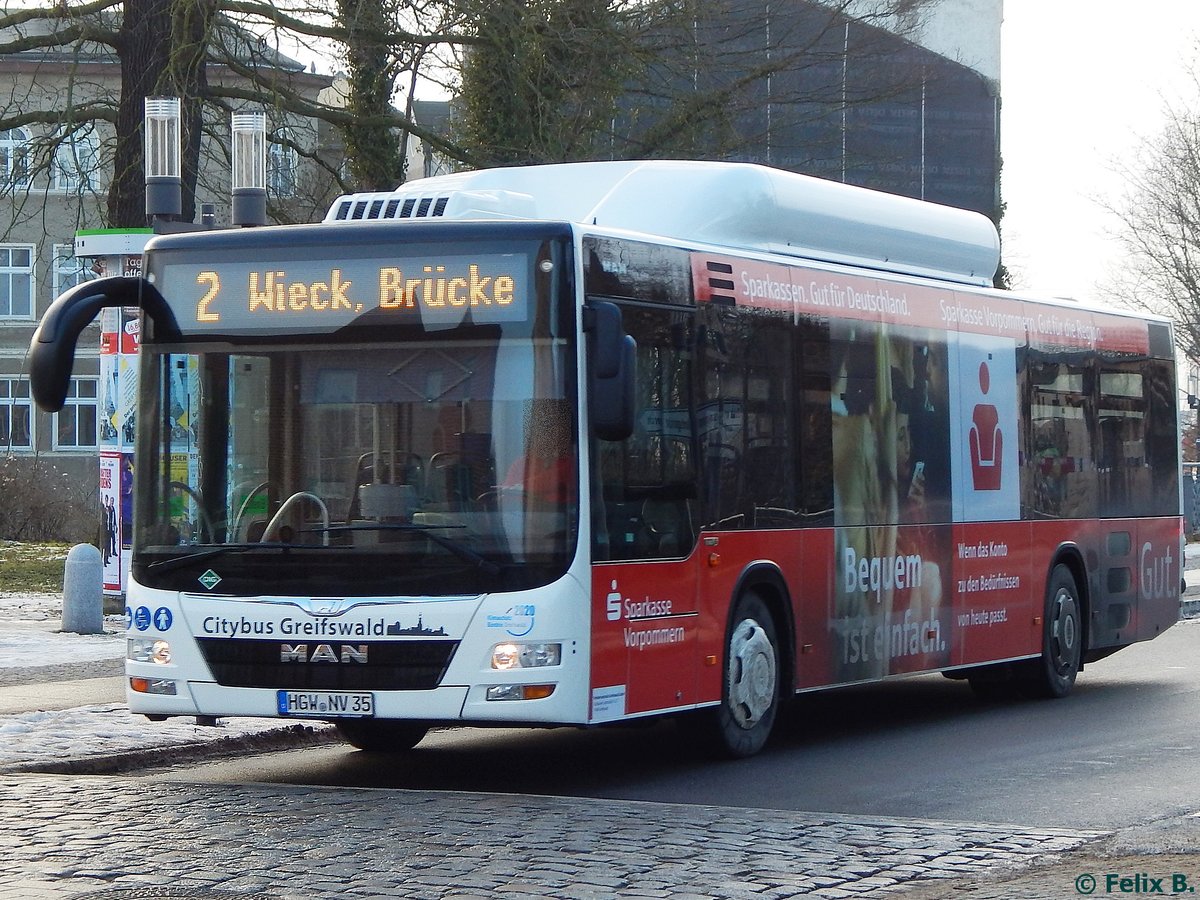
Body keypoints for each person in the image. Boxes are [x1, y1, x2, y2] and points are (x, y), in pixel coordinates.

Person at [502, 400, 576, 506]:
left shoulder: (574, 463)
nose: (546, 433)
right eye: (540, 426)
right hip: (520, 518)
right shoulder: (521, 463)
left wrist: (520, 488)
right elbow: (506, 496)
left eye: (552, 426)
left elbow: (550, 479)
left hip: (564, 519)